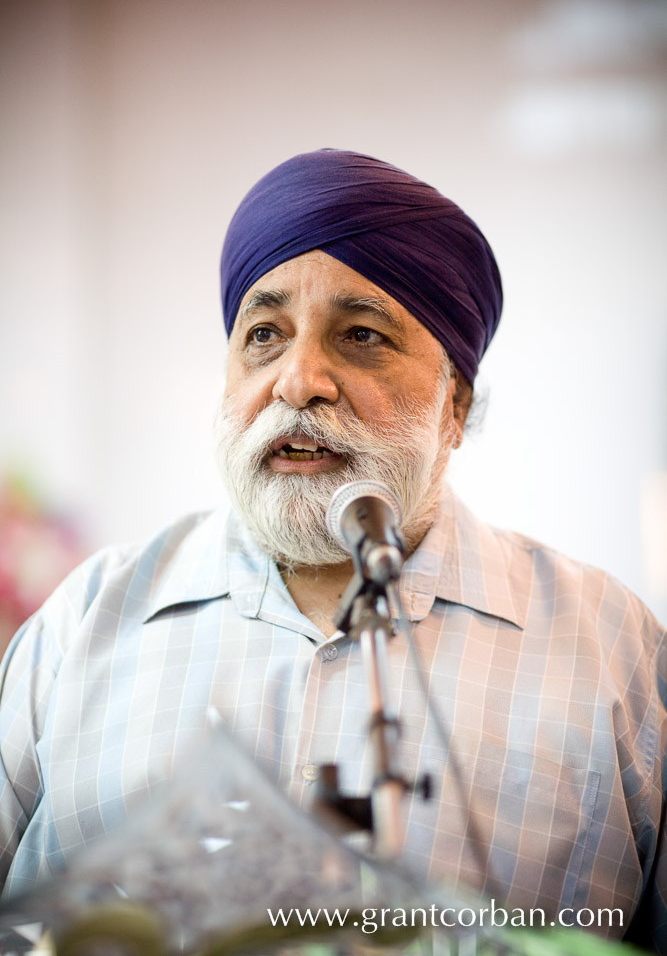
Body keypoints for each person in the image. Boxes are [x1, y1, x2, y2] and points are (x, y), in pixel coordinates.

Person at [0, 149, 665, 952]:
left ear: (453, 404)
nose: (298, 380)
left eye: (360, 335)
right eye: (264, 335)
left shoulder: (608, 649)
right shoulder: (86, 623)